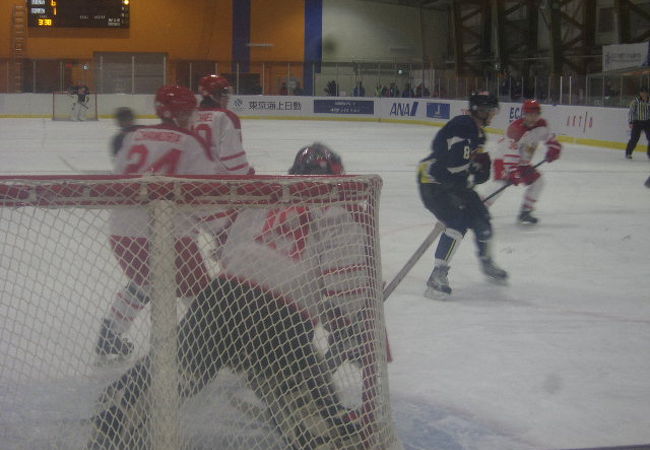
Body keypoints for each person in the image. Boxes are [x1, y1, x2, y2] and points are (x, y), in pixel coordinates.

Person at [88, 144, 368, 449]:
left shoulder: (267, 199)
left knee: (177, 365)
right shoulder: (340, 208)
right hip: (282, 312)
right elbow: (344, 277)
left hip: (224, 294)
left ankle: (120, 407)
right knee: (295, 388)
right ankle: (317, 430)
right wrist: (346, 322)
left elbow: (230, 250)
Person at [95, 85, 217, 359]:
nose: (191, 117)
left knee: (146, 282)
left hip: (123, 232)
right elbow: (208, 199)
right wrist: (222, 234)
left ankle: (110, 333)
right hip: (173, 237)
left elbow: (119, 179)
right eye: (186, 112)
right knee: (200, 296)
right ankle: (213, 348)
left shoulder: (133, 136)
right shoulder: (191, 142)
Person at [417, 91, 506, 297]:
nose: (493, 115)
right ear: (480, 110)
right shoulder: (462, 125)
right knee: (457, 221)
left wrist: (479, 169)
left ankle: (487, 263)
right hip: (433, 182)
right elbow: (455, 163)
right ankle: (437, 275)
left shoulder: (480, 134)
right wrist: (473, 166)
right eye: (491, 111)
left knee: (482, 221)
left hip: (455, 183)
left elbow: (472, 172)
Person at [485, 99, 562, 224]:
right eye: (530, 114)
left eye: (536, 114)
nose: (533, 117)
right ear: (524, 114)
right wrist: (512, 172)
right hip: (503, 160)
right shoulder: (516, 129)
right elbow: (510, 154)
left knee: (538, 182)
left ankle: (525, 212)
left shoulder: (542, 125)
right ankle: (481, 208)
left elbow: (550, 138)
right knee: (500, 184)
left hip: (522, 163)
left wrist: (554, 148)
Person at [624, 87, 650, 159]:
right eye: (643, 92)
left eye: (645, 92)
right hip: (637, 122)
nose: (644, 94)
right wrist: (631, 122)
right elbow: (631, 112)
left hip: (648, 122)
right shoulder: (635, 101)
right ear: (640, 93)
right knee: (634, 139)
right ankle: (628, 153)